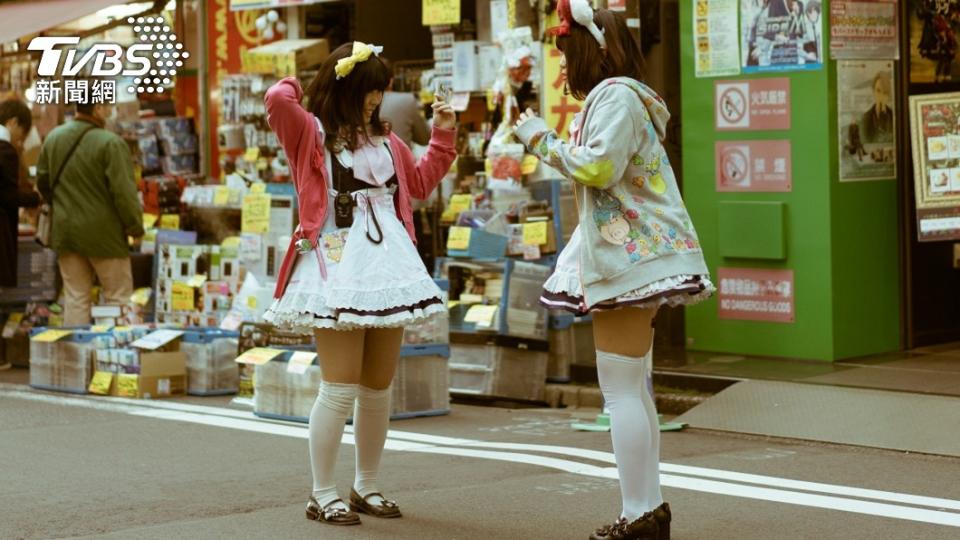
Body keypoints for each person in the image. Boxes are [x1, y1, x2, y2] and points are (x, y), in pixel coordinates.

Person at [514, 2, 713, 539]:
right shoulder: (624, 97)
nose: (562, 69)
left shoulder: (616, 97)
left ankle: (638, 513)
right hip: (640, 254)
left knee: (621, 392)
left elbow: (600, 166)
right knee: (633, 389)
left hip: (630, 257)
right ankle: (647, 508)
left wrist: (539, 138)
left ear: (594, 50)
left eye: (566, 53)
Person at [262, 41, 456, 527]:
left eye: (381, 90)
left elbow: (418, 185)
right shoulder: (312, 133)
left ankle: (366, 484)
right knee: (339, 386)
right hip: (337, 265)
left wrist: (444, 136)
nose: (377, 100)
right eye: (370, 90)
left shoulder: (387, 142)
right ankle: (322, 493)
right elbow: (277, 100)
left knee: (377, 386)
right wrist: (321, 77)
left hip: (390, 267)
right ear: (348, 88)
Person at [36, 96, 143, 326]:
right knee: (118, 298)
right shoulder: (111, 143)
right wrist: (135, 227)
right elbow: (124, 194)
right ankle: (115, 357)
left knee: (76, 298)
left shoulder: (53, 138)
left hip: (66, 233)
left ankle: (76, 358)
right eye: (108, 107)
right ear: (97, 108)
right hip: (105, 236)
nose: (110, 112)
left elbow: (43, 184)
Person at [0, 99, 39, 370]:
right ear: (13, 122)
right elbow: (7, 195)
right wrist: (35, 197)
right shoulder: (5, 151)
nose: (20, 140)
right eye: (21, 133)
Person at [378, 58, 431, 149]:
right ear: (391, 81)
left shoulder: (357, 105)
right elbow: (425, 138)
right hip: (401, 161)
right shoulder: (407, 100)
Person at [862, 71, 893, 144]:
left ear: (888, 96)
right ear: (873, 91)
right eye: (878, 91)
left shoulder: (894, 117)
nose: (881, 96)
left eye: (884, 92)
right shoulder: (866, 117)